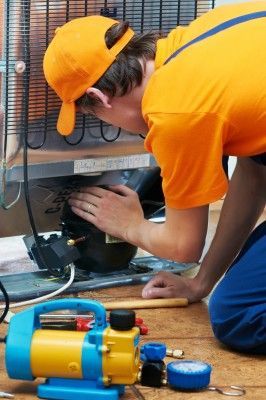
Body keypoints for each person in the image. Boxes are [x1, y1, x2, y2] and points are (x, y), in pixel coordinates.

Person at [43, 1, 266, 353]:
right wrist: (202, 282)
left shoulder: (175, 112)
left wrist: (131, 225)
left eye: (96, 116)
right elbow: (256, 172)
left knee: (239, 314)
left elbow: (183, 245)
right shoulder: (198, 37)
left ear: (99, 96)